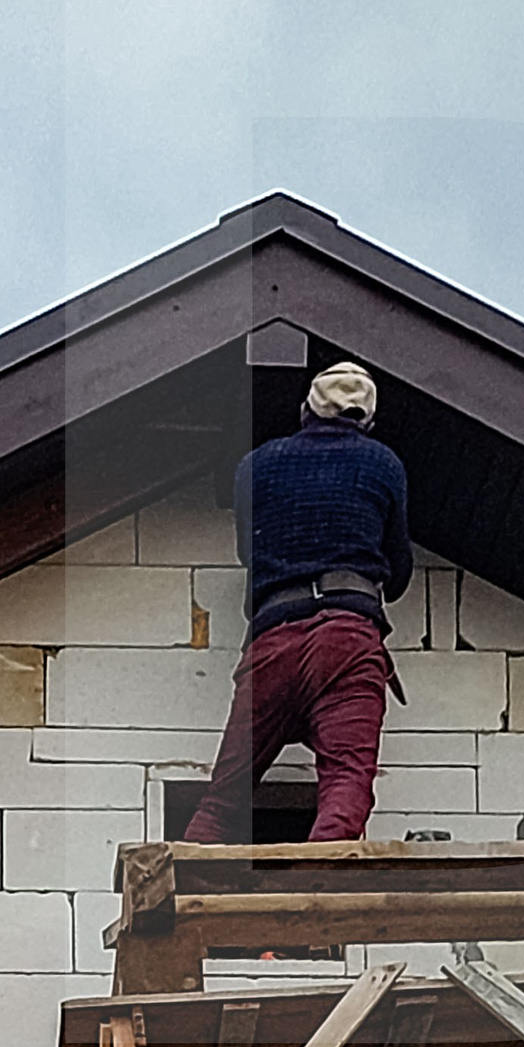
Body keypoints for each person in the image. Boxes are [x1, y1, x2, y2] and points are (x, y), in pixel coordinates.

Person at [182, 360, 413, 844]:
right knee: (345, 784)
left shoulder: (255, 466)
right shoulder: (383, 463)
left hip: (273, 638)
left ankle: (182, 886)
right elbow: (398, 574)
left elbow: (250, 552)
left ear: (306, 409)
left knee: (225, 799)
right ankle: (318, 891)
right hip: (347, 638)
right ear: (365, 420)